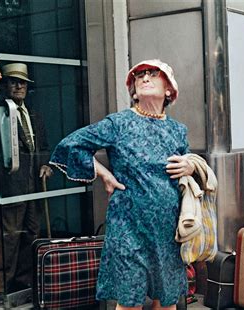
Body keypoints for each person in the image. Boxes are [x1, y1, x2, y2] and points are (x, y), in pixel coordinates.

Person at [50, 59, 194, 309]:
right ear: (133, 91)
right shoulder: (118, 123)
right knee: (129, 301)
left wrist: (191, 165)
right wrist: (104, 173)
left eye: (153, 74)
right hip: (128, 227)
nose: (144, 78)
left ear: (169, 89)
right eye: (139, 76)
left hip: (168, 229)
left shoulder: (177, 130)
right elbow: (70, 145)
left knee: (168, 299)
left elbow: (188, 169)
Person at [0, 62, 53, 305]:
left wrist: (45, 165)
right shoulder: (0, 109)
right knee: (9, 236)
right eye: (13, 81)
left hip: (32, 183)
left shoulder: (33, 114)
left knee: (32, 232)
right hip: (10, 183)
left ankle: (23, 280)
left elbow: (41, 146)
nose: (19, 86)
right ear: (6, 85)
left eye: (23, 82)